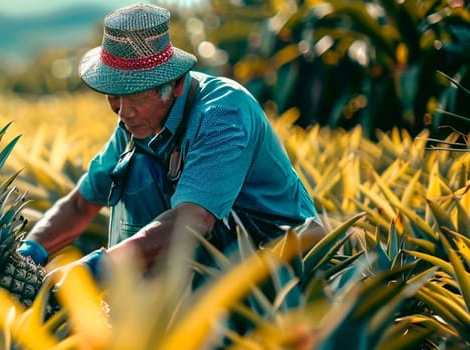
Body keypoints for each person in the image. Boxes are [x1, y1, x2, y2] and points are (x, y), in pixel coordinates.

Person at [17, 3, 323, 280]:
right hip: (216, 253)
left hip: (279, 254)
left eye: (135, 96)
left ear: (176, 84)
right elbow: (83, 202)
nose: (123, 111)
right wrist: (31, 251)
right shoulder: (134, 122)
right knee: (132, 165)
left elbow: (194, 220)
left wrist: (95, 268)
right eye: (113, 96)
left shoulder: (222, 114)